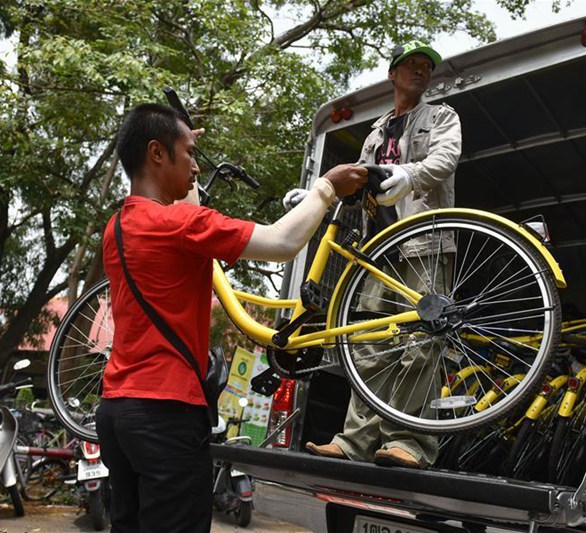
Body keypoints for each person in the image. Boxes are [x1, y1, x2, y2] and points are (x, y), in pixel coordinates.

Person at [95, 103, 366, 533]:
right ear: (157, 153)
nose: (197, 167)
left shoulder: (117, 229)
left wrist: (182, 142)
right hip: (166, 412)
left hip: (116, 411)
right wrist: (326, 188)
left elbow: (176, 203)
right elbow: (282, 242)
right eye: (189, 154)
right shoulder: (179, 224)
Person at [291, 41, 462, 469]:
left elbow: (446, 157)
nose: (421, 71)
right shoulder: (376, 132)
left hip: (423, 241)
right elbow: (354, 187)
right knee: (367, 343)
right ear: (393, 73)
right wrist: (318, 196)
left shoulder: (441, 116)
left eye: (427, 66)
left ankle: (409, 442)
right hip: (374, 251)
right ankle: (354, 442)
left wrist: (410, 173)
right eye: (413, 64)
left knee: (422, 340)